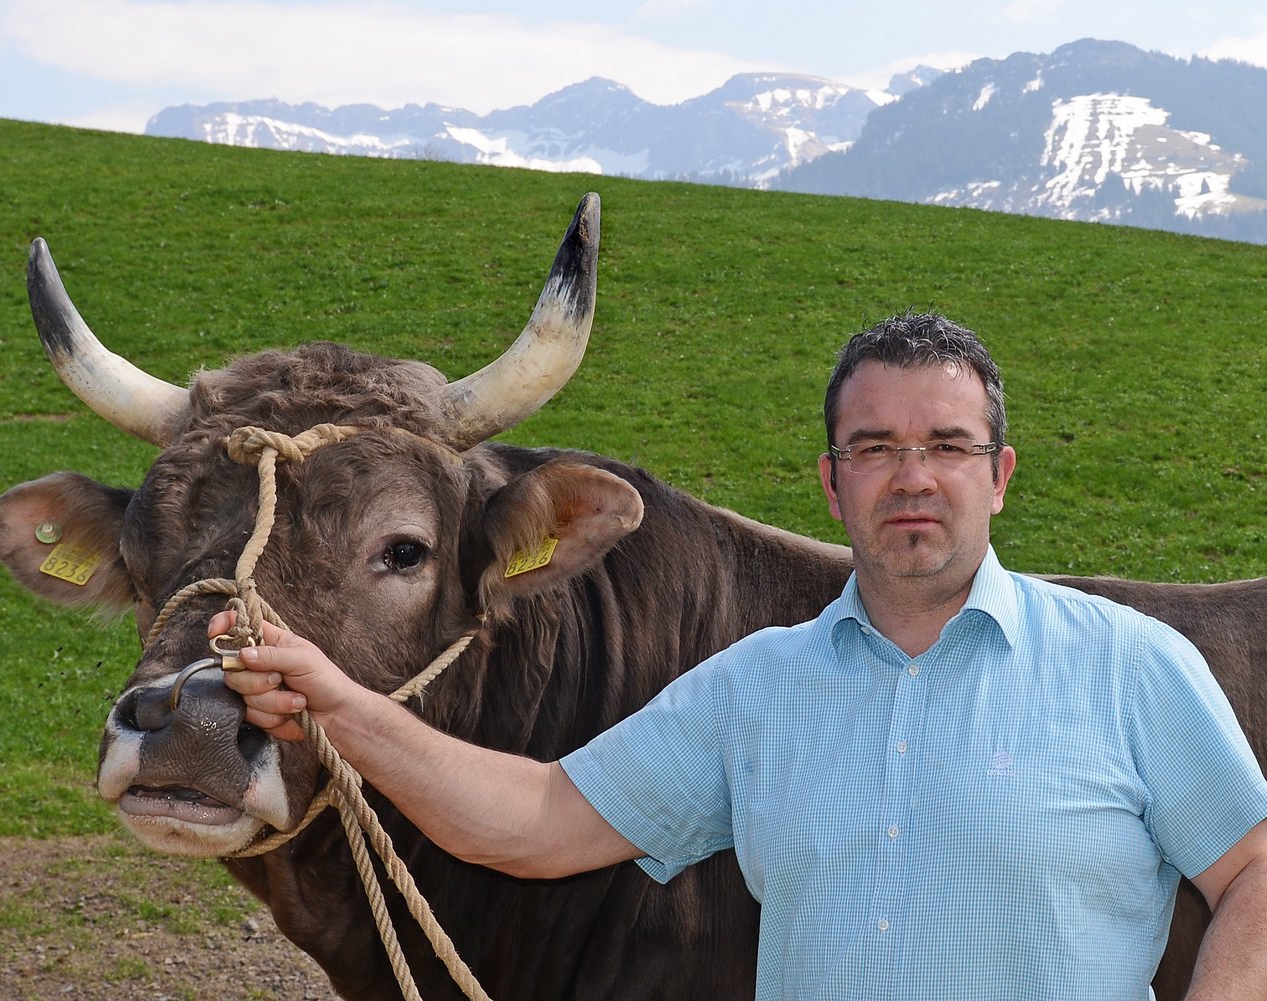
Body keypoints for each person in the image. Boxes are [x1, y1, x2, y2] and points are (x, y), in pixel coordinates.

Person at [213, 312, 1267, 1000]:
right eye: (873, 448)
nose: (911, 475)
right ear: (829, 482)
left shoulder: (1130, 666)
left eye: (947, 445)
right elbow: (534, 819)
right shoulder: (754, 686)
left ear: (997, 477)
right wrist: (338, 702)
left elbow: (1254, 866)